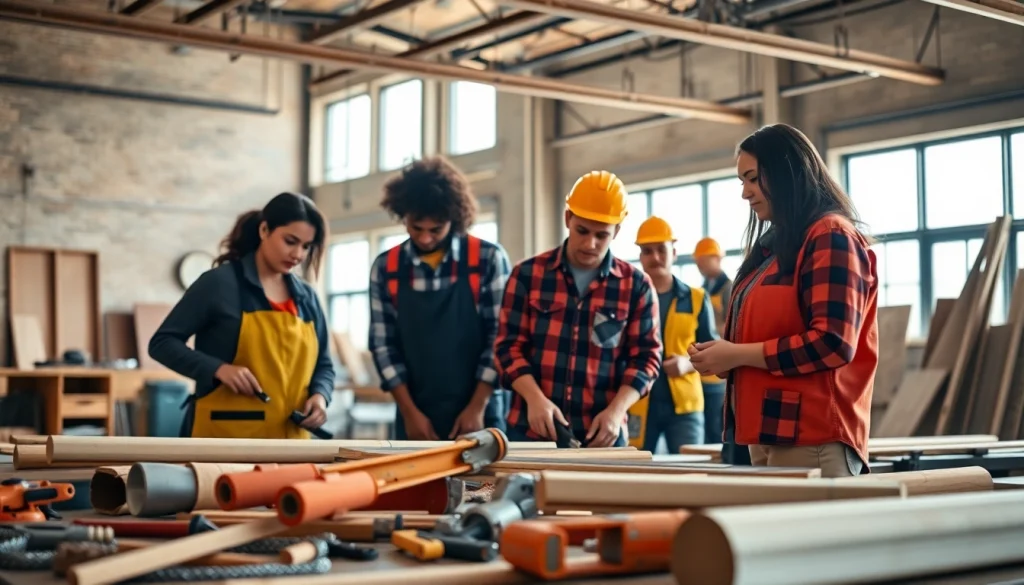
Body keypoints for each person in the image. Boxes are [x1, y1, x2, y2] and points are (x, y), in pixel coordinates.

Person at [688, 123, 878, 478]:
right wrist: (727, 359)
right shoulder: (774, 248)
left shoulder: (831, 236)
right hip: (769, 431)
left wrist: (738, 354)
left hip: (813, 435)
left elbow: (833, 343)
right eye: (741, 181)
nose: (745, 193)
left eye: (753, 178)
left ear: (786, 172)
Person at [494, 170, 662, 448]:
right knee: (513, 494)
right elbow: (507, 347)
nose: (590, 244)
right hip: (532, 430)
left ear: (617, 231)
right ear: (568, 218)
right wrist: (535, 400)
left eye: (601, 235)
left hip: (603, 435)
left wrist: (617, 411)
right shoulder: (527, 275)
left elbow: (647, 358)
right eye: (582, 231)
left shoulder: (636, 286)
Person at [149, 192, 334, 439]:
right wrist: (218, 369)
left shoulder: (307, 298)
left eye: (306, 246)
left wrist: (320, 396)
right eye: (290, 241)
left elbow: (324, 364)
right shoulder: (218, 284)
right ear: (264, 230)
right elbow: (162, 343)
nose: (298, 255)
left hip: (292, 445)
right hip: (225, 440)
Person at [369, 156, 512, 441]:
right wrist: (410, 413)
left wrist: (477, 406)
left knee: (481, 488)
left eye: (435, 229)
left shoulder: (486, 259)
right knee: (419, 487)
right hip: (416, 415)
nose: (424, 238)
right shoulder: (388, 268)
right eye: (415, 227)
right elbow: (383, 346)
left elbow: (499, 338)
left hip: (480, 412)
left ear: (454, 219)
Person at [626, 216, 718, 453]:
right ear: (640, 256)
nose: (655, 257)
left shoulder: (697, 298)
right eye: (647, 251)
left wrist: (687, 364)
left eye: (661, 250)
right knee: (634, 471)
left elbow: (713, 350)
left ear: (674, 252)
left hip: (685, 406)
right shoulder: (628, 300)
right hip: (637, 403)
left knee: (689, 473)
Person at [693, 237, 741, 460]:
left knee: (715, 429)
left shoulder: (728, 288)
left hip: (719, 376)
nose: (699, 266)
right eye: (698, 261)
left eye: (703, 260)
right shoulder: (702, 290)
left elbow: (732, 326)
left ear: (716, 259)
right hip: (702, 371)